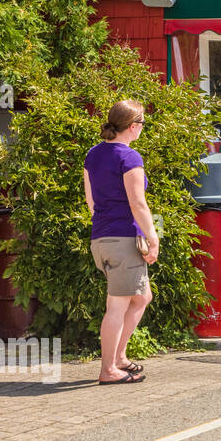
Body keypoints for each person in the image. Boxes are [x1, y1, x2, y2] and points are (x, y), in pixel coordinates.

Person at [83, 100, 158, 384]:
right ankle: (108, 369)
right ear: (133, 126)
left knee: (141, 297)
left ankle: (119, 357)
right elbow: (138, 203)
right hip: (123, 238)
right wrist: (153, 239)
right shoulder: (129, 158)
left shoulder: (94, 154)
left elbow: (91, 201)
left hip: (101, 238)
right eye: (142, 125)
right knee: (117, 305)